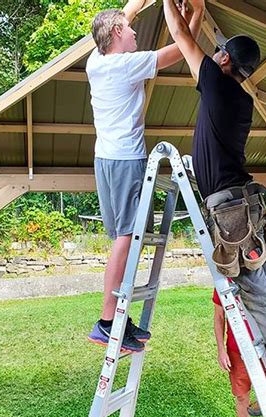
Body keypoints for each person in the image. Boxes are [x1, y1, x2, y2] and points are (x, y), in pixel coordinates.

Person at [162, 0, 266, 414]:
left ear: (224, 58)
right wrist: (194, 13)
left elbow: (180, 38)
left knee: (255, 294)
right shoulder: (235, 96)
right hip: (242, 204)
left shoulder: (217, 83)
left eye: (216, 54)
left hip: (231, 210)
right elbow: (188, 41)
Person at [86, 0, 204, 353]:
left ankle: (116, 321)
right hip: (125, 161)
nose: (136, 30)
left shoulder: (96, 62)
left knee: (124, 237)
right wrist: (195, 14)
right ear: (118, 33)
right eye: (130, 27)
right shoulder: (126, 65)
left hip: (106, 160)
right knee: (125, 239)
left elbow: (126, 14)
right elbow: (182, 49)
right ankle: (107, 323)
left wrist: (139, 4)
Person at [213, 288, 254, 417]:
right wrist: (221, 350)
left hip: (262, 349)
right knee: (242, 396)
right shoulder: (221, 283)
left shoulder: (258, 275)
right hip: (236, 349)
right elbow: (219, 318)